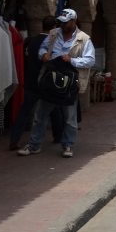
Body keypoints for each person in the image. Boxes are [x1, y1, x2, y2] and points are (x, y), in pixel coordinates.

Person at [19, 9, 95, 158]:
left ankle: (68, 145)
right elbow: (42, 48)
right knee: (40, 115)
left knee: (69, 117)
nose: (62, 24)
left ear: (73, 22)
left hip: (69, 82)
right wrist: (44, 55)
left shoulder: (84, 39)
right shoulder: (54, 34)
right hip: (51, 79)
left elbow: (90, 60)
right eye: (61, 21)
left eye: (66, 22)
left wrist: (72, 60)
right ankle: (34, 145)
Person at [8, 16, 63, 150]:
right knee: (54, 109)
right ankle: (58, 136)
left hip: (31, 81)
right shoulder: (51, 43)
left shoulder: (31, 41)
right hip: (46, 83)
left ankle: (14, 139)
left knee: (24, 111)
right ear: (54, 28)